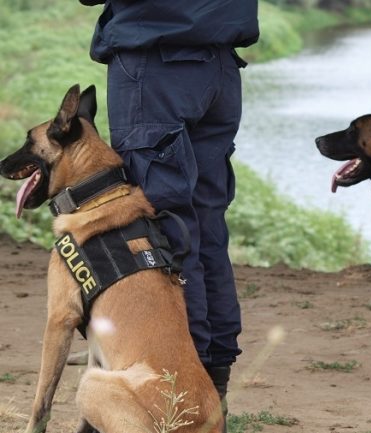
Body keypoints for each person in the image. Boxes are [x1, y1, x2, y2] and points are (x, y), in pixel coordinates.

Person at [78, 0, 260, 427]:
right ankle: (211, 389)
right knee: (206, 224)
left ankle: (176, 391)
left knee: (162, 228)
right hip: (218, 66)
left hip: (158, 64)